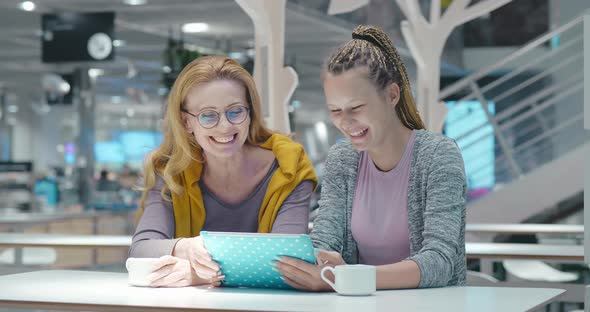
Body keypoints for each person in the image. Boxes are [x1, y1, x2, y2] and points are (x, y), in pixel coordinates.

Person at [274, 25, 466, 291]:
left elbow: (439, 262)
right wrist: (315, 261)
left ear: (392, 95)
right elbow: (324, 239)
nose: (346, 121)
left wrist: (345, 278)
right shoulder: (342, 159)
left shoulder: (438, 155)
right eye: (335, 110)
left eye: (356, 108)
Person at [130, 56, 317, 287]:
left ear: (250, 112)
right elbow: (141, 249)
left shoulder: (290, 166)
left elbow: (288, 262)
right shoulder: (169, 171)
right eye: (208, 115)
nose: (225, 126)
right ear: (186, 122)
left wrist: (201, 274)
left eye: (235, 111)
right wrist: (185, 248)